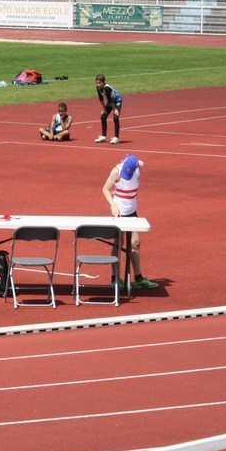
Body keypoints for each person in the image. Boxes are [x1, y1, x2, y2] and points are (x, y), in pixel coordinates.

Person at [102, 154, 158, 290]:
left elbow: (141, 162)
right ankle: (115, 278)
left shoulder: (138, 166)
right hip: (119, 211)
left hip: (132, 209)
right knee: (118, 243)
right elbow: (105, 189)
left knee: (135, 243)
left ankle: (138, 278)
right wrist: (113, 205)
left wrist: (137, 162)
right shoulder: (116, 171)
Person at [94, 74, 122, 144]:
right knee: (103, 116)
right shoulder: (98, 88)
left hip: (117, 101)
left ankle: (116, 138)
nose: (98, 84)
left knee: (115, 117)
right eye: (96, 83)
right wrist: (104, 109)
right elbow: (101, 99)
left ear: (103, 82)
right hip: (111, 102)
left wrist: (115, 110)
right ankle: (103, 136)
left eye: (99, 83)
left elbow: (109, 100)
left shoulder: (107, 88)